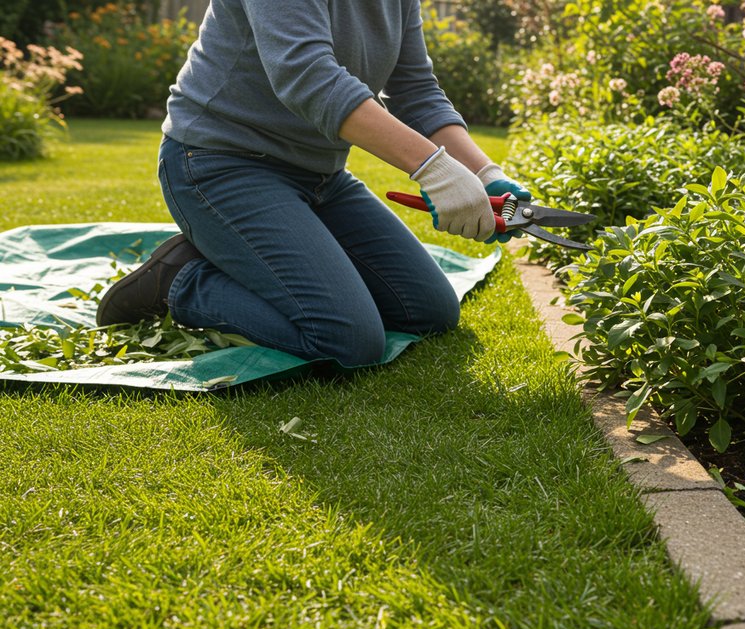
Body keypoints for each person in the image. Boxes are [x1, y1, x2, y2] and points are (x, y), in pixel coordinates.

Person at [95, 0, 529, 368]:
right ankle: (181, 281)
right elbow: (306, 74)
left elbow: (415, 88)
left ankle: (255, 253)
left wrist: (485, 174)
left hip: (320, 175)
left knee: (428, 311)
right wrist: (433, 169)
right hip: (218, 164)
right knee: (346, 340)